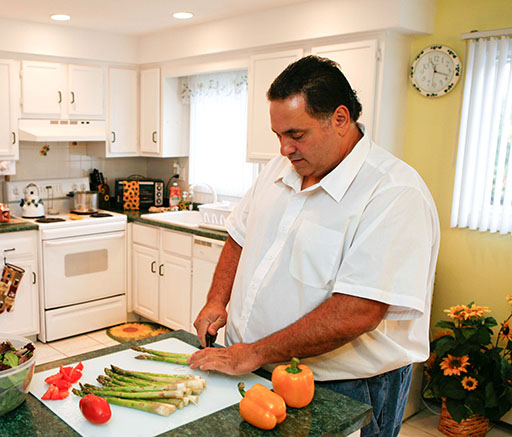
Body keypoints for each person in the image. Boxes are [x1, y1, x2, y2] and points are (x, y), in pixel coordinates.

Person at [188, 55, 440, 437]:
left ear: (340, 119)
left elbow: (357, 311)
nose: (284, 149)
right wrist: (216, 300)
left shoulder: (393, 193)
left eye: (296, 135)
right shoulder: (279, 169)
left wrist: (254, 352)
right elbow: (240, 235)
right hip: (253, 369)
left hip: (345, 385)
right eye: (278, 136)